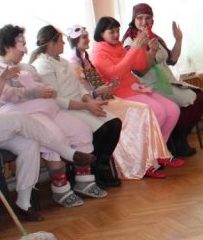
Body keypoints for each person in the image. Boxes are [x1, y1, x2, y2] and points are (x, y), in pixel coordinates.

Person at [0, 24, 104, 207]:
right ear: (8, 46)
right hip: (26, 115)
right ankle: (60, 189)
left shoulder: (27, 67)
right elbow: (6, 94)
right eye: (21, 45)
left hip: (49, 110)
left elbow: (43, 85)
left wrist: (48, 90)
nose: (25, 50)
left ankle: (84, 181)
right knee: (55, 137)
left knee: (82, 130)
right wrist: (35, 93)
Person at [65, 25, 173, 179]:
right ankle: (141, 164)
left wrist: (107, 87)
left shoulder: (85, 58)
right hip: (95, 103)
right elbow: (81, 92)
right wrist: (99, 91)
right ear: (75, 40)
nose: (87, 39)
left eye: (87, 36)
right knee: (141, 112)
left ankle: (151, 158)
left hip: (105, 98)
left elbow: (96, 84)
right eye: (83, 37)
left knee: (145, 110)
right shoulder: (73, 63)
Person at [31, 25, 123, 189]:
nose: (63, 44)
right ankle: (92, 170)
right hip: (66, 109)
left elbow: (79, 87)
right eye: (60, 41)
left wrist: (89, 101)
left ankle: (101, 165)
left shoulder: (65, 62)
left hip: (81, 104)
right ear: (51, 43)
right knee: (102, 130)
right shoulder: (42, 65)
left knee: (114, 124)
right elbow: (56, 99)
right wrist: (86, 106)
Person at [89, 16, 184, 172]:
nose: (116, 35)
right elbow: (115, 75)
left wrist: (146, 49)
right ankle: (150, 158)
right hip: (118, 94)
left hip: (134, 88)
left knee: (173, 110)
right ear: (101, 33)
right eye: (111, 32)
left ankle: (160, 152)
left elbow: (139, 66)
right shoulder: (97, 53)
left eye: (117, 31)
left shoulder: (118, 47)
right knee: (159, 111)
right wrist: (134, 49)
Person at [122, 3, 203, 158]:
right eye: (140, 18)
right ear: (133, 20)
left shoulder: (155, 37)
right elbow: (139, 70)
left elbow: (172, 59)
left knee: (201, 97)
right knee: (195, 98)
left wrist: (179, 40)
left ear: (152, 21)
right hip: (151, 86)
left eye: (148, 18)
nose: (144, 22)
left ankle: (177, 136)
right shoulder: (130, 41)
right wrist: (151, 50)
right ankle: (177, 138)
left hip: (169, 82)